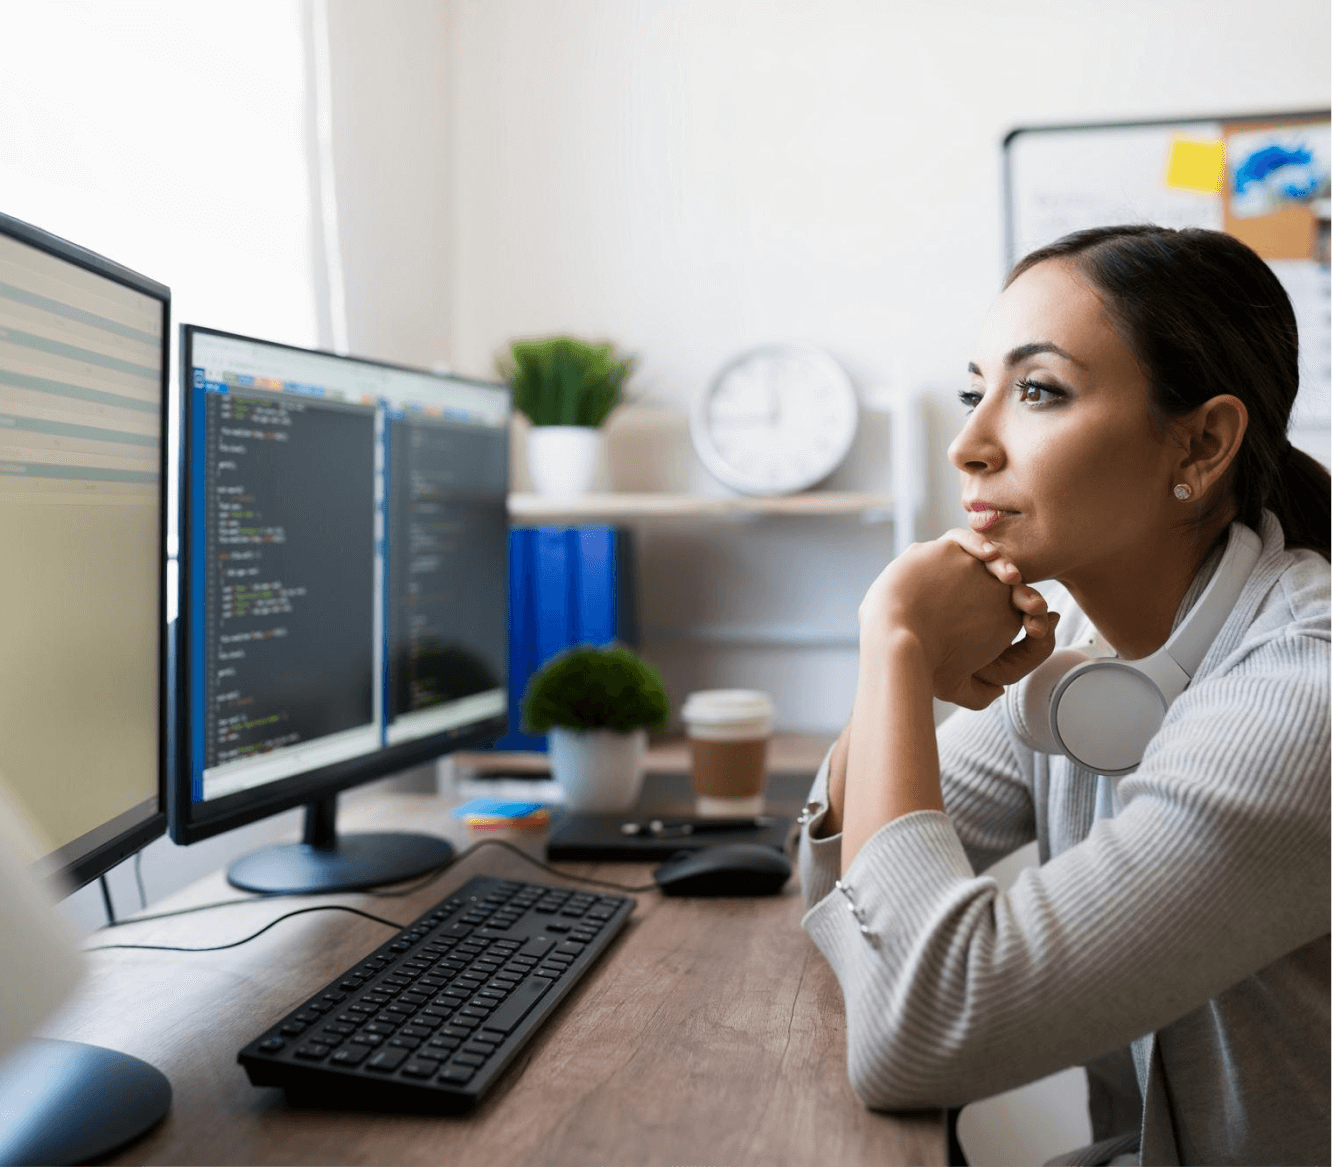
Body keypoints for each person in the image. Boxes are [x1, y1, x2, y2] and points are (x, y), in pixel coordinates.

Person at [795, 225, 1331, 1167]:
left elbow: (915, 1030)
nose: (968, 443)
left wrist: (898, 646)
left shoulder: (1304, 692)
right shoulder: (1085, 648)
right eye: (976, 391)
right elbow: (836, 889)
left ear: (1202, 444)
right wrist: (901, 688)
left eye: (1037, 390)